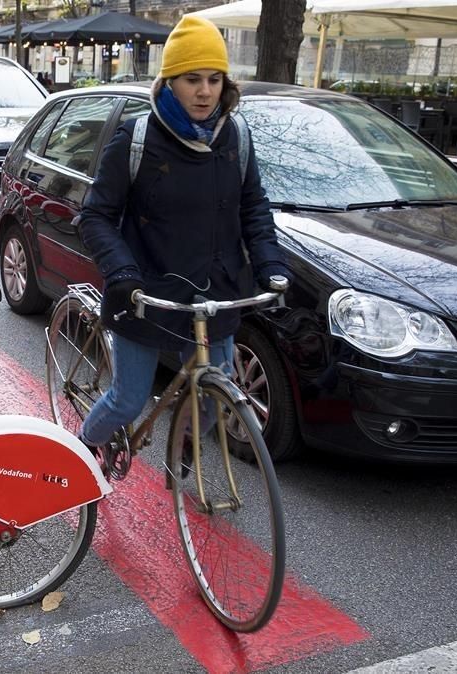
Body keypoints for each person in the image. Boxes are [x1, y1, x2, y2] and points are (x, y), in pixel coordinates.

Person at [75, 15, 291, 463]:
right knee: (127, 400)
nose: (205, 91)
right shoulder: (137, 138)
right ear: (170, 80)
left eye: (214, 79)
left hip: (215, 293)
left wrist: (270, 265)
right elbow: (95, 215)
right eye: (192, 79)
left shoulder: (236, 137)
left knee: (215, 398)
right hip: (147, 294)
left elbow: (253, 206)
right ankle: (84, 448)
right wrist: (122, 272)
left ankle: (183, 448)